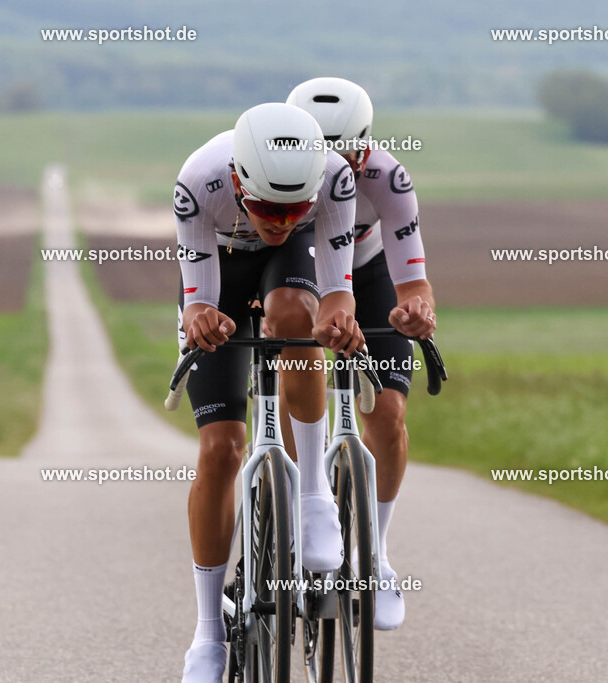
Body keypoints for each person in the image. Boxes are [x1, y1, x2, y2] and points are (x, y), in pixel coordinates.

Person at [176, 102, 365, 682]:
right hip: (221, 269)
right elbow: (199, 300)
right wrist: (201, 319)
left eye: (294, 209)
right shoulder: (198, 181)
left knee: (296, 316)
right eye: (266, 209)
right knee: (221, 451)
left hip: (289, 270)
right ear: (238, 181)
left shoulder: (334, 178)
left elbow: (337, 294)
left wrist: (337, 321)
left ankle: (311, 496)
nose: (279, 221)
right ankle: (208, 635)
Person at [286, 77, 437, 631]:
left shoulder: (388, 178)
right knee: (295, 351)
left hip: (367, 269)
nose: (328, 169)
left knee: (389, 415)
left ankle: (375, 555)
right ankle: (302, 498)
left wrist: (414, 311)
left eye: (341, 156)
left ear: (364, 146)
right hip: (296, 259)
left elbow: (415, 282)